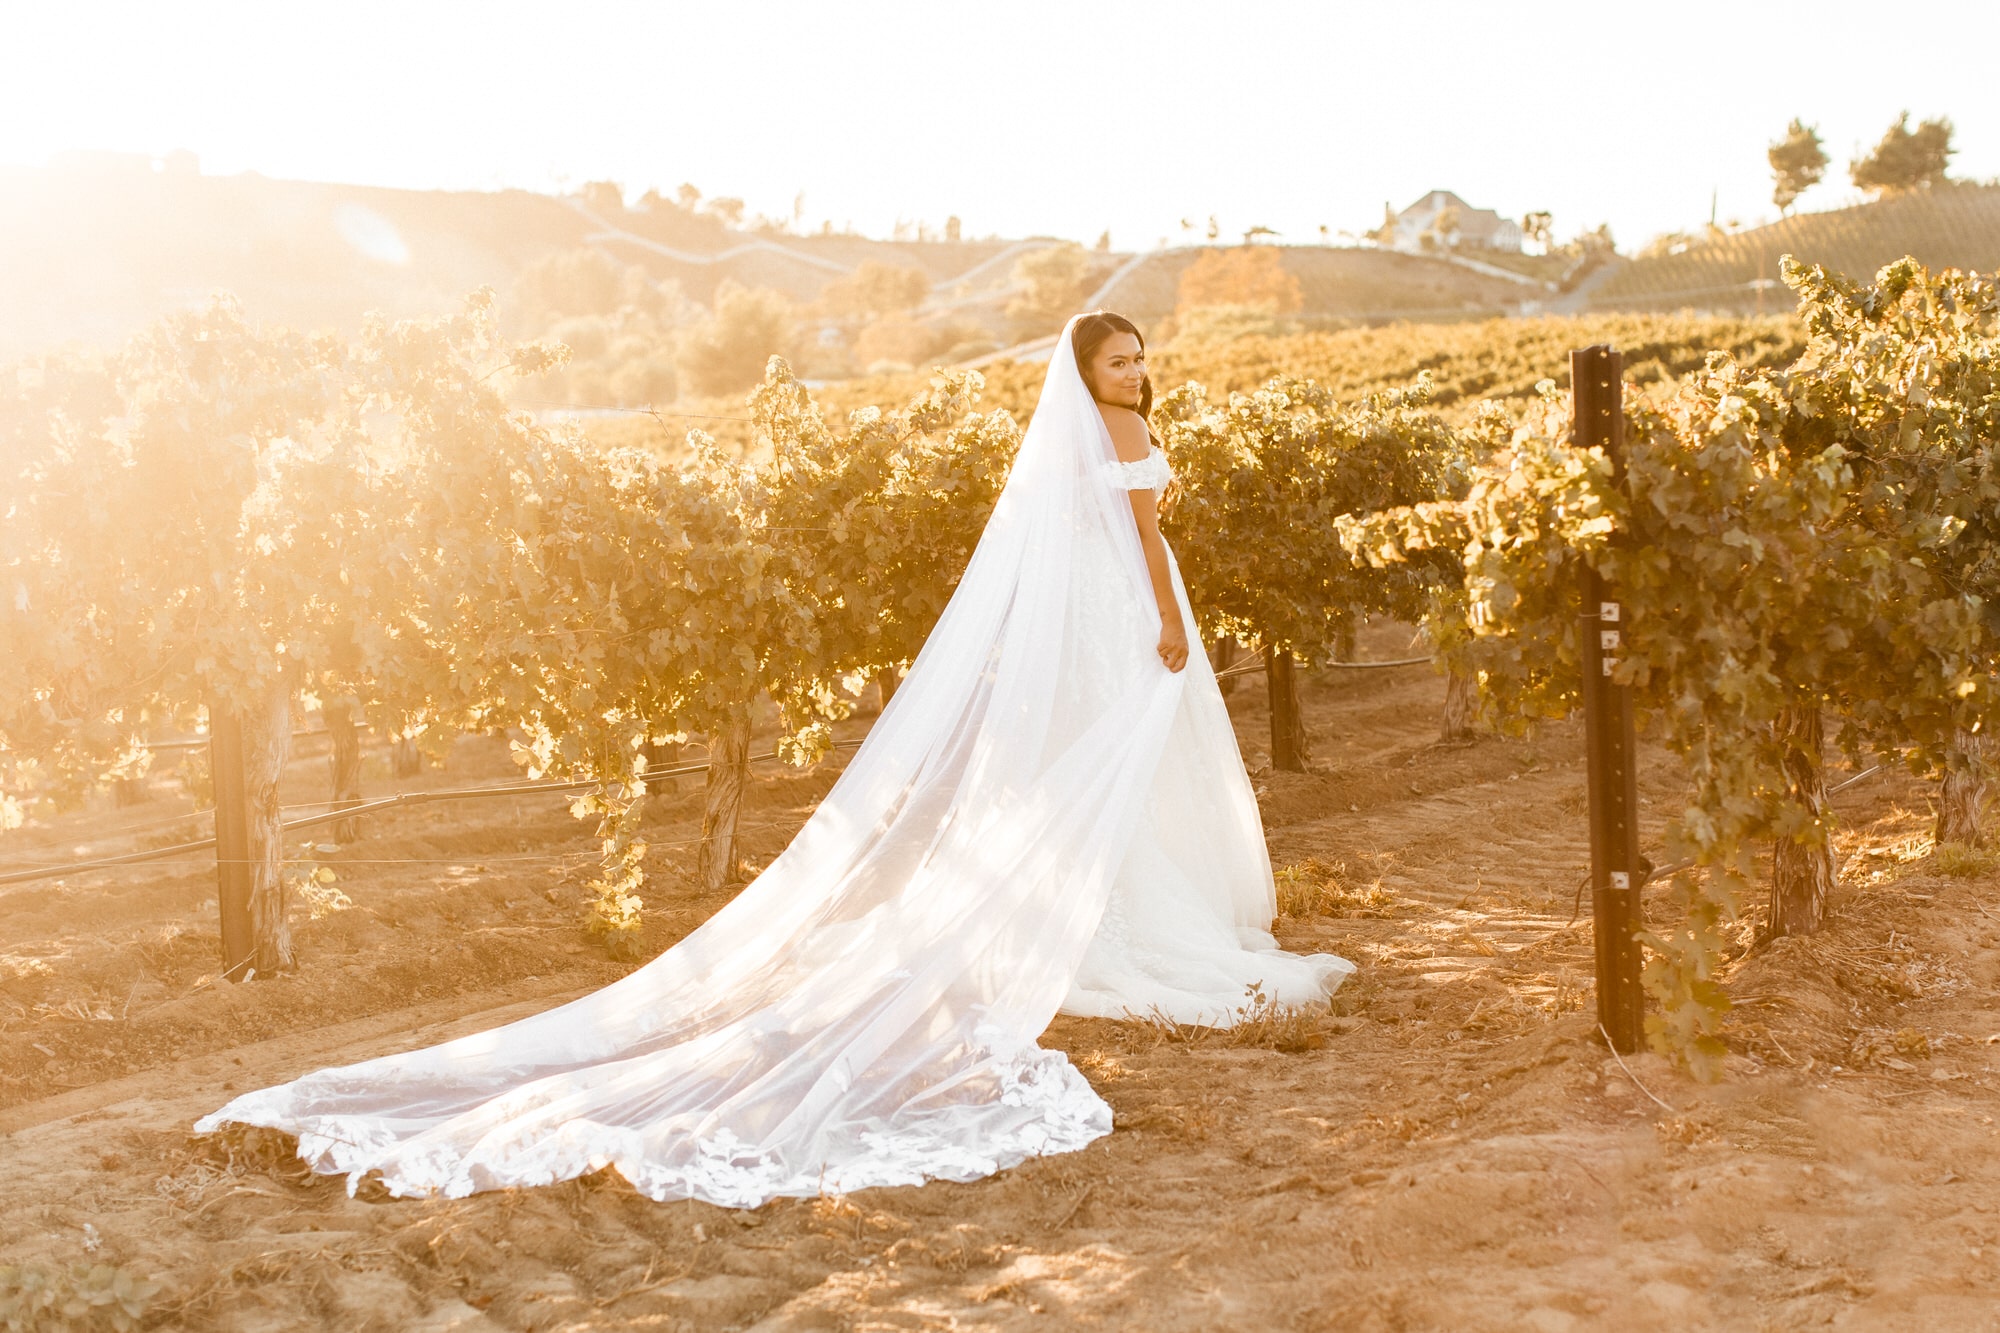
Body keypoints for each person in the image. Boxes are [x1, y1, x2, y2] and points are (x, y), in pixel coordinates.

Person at [196, 312, 1352, 1208]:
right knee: (1128, 783)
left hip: (1095, 619)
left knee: (1088, 784)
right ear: (1085, 372)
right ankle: (1133, 927)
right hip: (1134, 615)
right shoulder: (1130, 439)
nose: (1135, 376)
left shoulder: (1069, 442)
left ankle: (1095, 920)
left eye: (1140, 362)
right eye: (1116, 363)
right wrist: (1168, 626)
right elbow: (1148, 536)